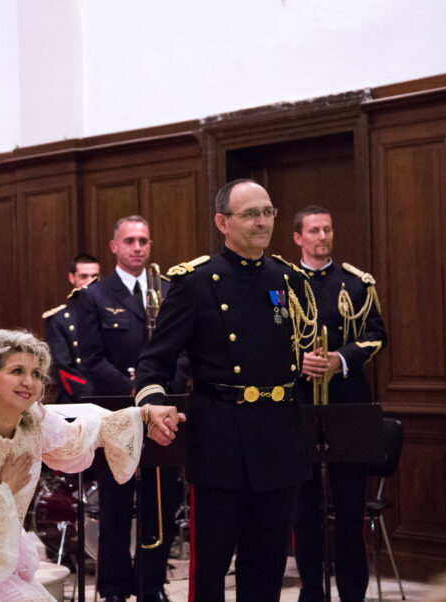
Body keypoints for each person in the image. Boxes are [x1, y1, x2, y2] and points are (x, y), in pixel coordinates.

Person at [0, 328, 183, 601]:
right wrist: (5, 492)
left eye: (36, 374)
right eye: (17, 371)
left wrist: (144, 414)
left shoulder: (33, 422)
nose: (29, 382)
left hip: (1, 555)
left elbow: (79, 437)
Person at [135, 179, 317, 602]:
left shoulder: (286, 278)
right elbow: (154, 360)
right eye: (250, 213)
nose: (262, 222)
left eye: (267, 212)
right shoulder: (196, 282)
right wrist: (154, 403)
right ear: (223, 222)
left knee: (267, 568)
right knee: (211, 570)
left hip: (279, 436)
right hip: (222, 439)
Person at [74, 216, 185, 602]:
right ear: (114, 246)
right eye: (130, 240)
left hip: (163, 413)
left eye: (144, 241)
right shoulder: (95, 296)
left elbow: (184, 351)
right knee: (117, 504)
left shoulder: (168, 290)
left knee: (162, 503)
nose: (138, 247)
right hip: (117, 411)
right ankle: (114, 588)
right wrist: (137, 390)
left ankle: (151, 585)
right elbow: (91, 359)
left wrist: (160, 388)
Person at [290, 205, 387, 602]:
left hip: (348, 404)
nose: (322, 237)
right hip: (297, 404)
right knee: (304, 510)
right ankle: (311, 592)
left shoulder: (356, 282)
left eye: (327, 229)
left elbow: (376, 333)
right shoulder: (282, 282)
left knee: (351, 513)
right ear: (298, 237)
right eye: (313, 230)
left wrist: (340, 359)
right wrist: (299, 363)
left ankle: (352, 594)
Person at [42, 253, 100, 402]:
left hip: (115, 395)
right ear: (72, 278)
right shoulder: (59, 319)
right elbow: (62, 369)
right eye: (83, 276)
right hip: (77, 399)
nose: (90, 281)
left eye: (95, 276)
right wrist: (92, 396)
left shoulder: (112, 315)